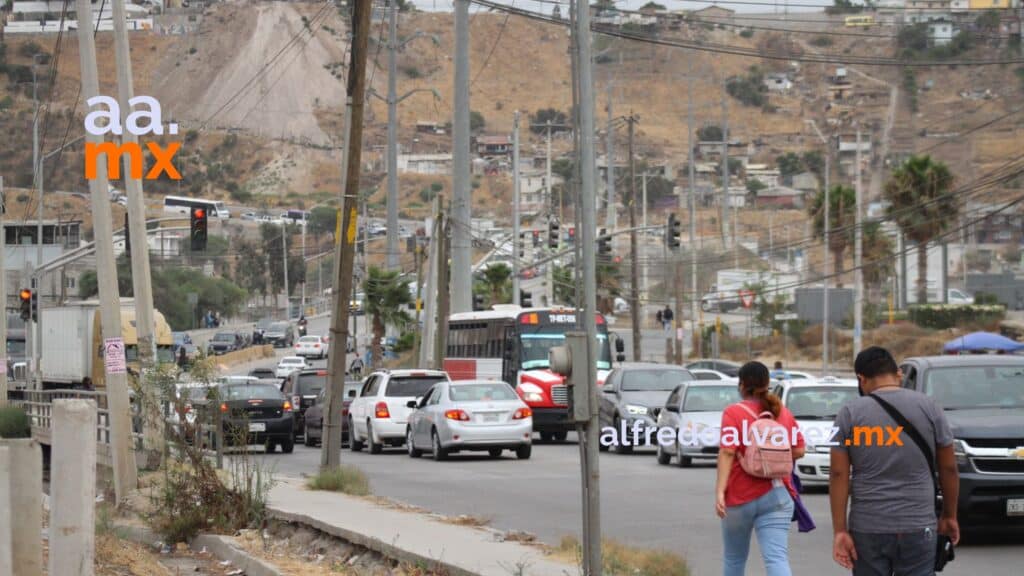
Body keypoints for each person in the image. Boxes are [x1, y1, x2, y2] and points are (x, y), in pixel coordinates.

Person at [830, 346, 959, 576]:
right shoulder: (930, 407)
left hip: (868, 528)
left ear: (861, 379)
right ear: (898, 373)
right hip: (918, 524)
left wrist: (840, 531)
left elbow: (838, 474)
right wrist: (949, 515)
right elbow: (948, 468)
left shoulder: (848, 413)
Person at [716, 361, 805, 576]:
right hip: (777, 494)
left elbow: (728, 452)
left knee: (734, 558)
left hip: (739, 496)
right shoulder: (782, 413)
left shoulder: (733, 413)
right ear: (767, 383)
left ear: (742, 385)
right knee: (776, 558)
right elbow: (799, 450)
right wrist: (773, 458)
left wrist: (720, 491)